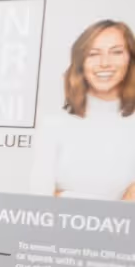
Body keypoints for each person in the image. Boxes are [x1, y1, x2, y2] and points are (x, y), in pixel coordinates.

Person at [49, 19, 135, 200]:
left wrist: (64, 195)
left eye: (116, 52)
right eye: (93, 54)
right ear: (81, 62)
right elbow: (38, 200)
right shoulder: (54, 124)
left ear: (130, 59)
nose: (105, 63)